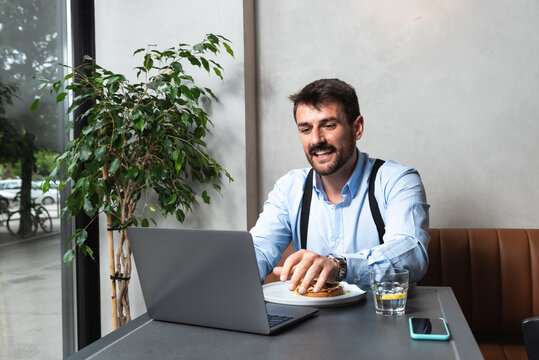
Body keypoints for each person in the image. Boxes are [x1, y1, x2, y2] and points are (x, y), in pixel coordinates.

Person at [250, 78, 430, 295]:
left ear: (357, 128)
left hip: (383, 318)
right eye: (306, 129)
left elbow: (411, 252)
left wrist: (340, 266)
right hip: (312, 322)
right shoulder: (290, 187)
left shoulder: (398, 180)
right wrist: (234, 271)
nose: (316, 139)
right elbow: (259, 248)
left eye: (328, 125)